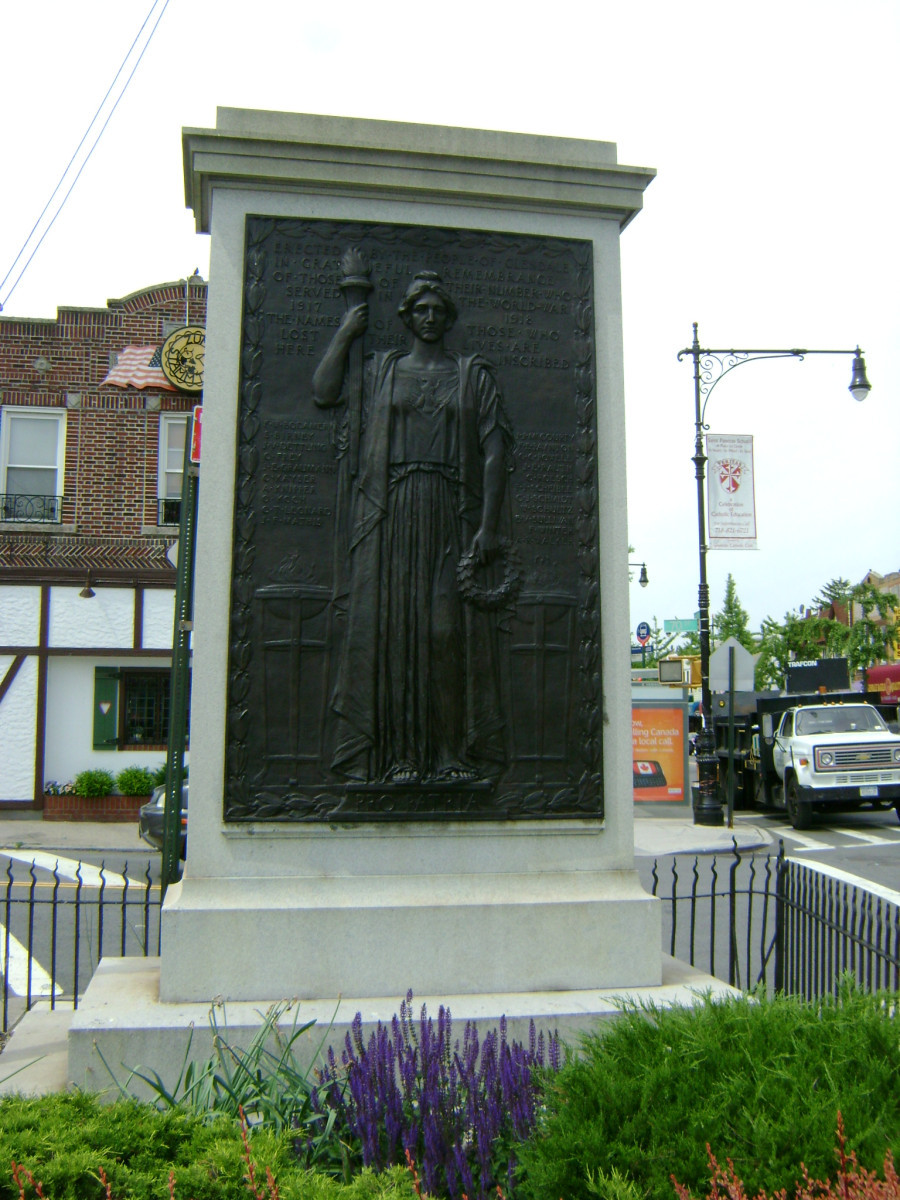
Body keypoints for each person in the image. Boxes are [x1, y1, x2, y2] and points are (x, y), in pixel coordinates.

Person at [312, 270, 514, 785]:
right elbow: (323, 390)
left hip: (450, 512)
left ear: (448, 317)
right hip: (395, 512)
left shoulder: (472, 375)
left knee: (446, 635)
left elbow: (495, 452)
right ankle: (399, 757)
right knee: (399, 635)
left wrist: (488, 527)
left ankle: (450, 754)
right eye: (419, 309)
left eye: (437, 310)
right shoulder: (382, 370)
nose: (429, 318)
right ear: (406, 315)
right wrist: (345, 332)